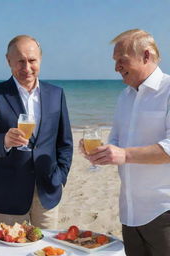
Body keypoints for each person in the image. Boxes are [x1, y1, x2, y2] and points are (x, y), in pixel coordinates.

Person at [80, 29, 170, 256]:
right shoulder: (124, 97)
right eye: (115, 61)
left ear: (146, 56)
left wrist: (124, 155)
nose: (116, 67)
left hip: (164, 212)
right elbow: (116, 143)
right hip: (129, 213)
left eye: (122, 60)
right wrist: (99, 153)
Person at [0, 35, 73, 230]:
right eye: (20, 61)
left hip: (48, 192)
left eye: (32, 61)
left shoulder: (56, 94)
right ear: (8, 61)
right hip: (9, 194)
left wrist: (61, 178)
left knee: (47, 250)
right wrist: (4, 140)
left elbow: (65, 142)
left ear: (40, 59)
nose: (27, 67)